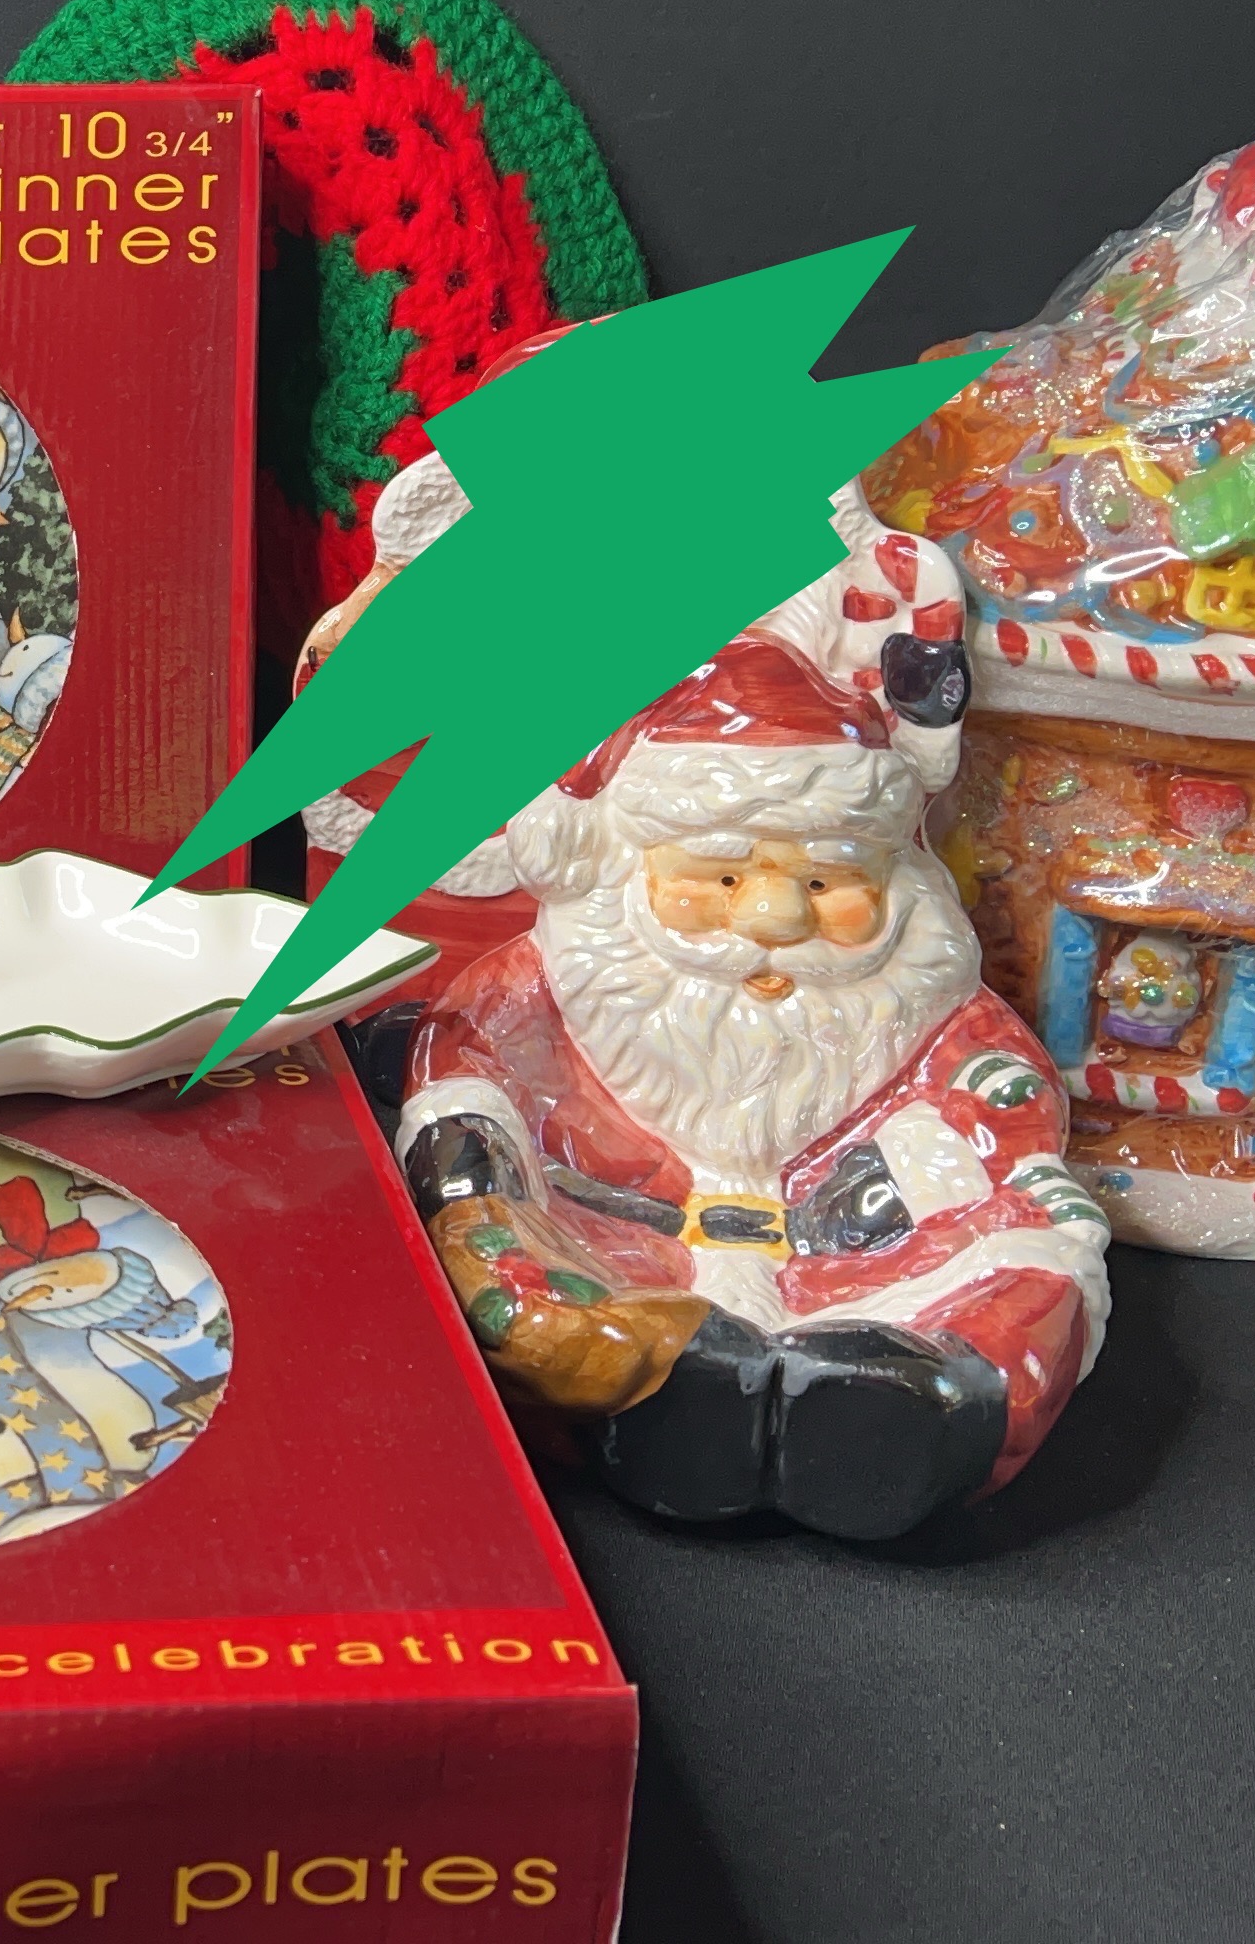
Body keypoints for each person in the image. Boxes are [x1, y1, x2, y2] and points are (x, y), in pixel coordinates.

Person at [390, 526, 1105, 1539]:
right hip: (621, 1242)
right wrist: (473, 1161)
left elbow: (1004, 1111)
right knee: (516, 1268)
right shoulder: (562, 979)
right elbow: (465, 1073)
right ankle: (659, 1402)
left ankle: (914, 1413)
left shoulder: (924, 998)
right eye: (721, 875)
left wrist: (1003, 1166)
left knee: (1038, 1254)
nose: (774, 916)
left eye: (827, 881)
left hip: (860, 1260)